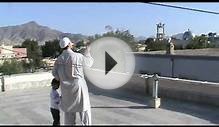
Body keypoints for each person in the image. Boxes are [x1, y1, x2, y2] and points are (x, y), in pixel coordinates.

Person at [52, 37, 94, 125]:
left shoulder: (58, 60)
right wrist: (88, 51)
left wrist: (63, 78)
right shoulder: (77, 56)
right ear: (68, 45)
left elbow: (55, 75)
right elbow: (89, 63)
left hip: (66, 91)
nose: (72, 44)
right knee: (84, 112)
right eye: (71, 43)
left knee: (69, 116)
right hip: (79, 88)